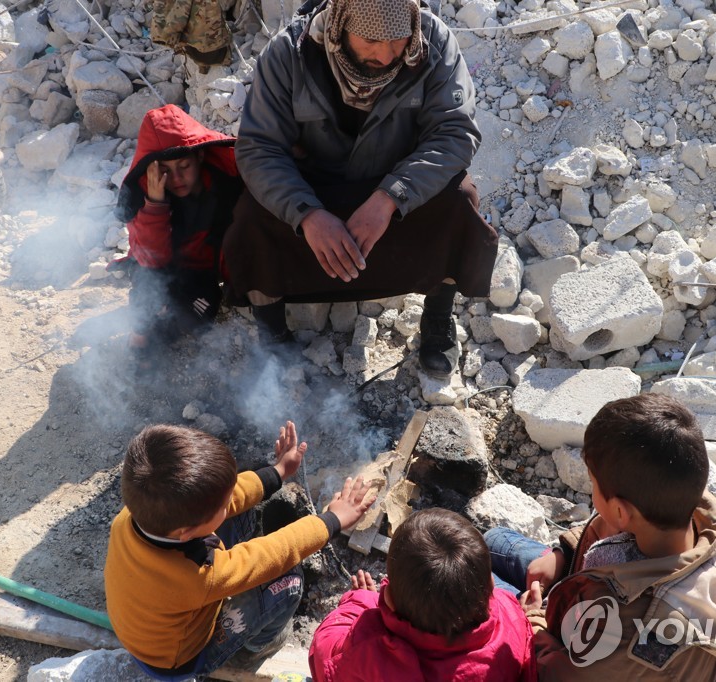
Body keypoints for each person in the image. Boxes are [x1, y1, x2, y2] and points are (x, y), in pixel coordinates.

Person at [223, 0, 499, 375]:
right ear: (341, 23)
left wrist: (389, 197)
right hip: (315, 189)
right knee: (250, 214)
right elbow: (259, 148)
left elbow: (454, 133)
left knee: (459, 199)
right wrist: (308, 214)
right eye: (370, 39)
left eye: (397, 40)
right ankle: (271, 328)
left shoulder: (432, 42)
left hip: (395, 188)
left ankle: (437, 317)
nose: (384, 56)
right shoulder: (291, 53)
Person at [485, 393, 716, 680]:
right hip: (601, 593)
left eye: (593, 484)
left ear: (619, 510)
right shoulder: (694, 507)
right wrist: (563, 553)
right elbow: (610, 527)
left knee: (478, 585)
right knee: (493, 541)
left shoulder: (638, 636)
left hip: (596, 655)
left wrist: (532, 619)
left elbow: (559, 674)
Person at [104, 421, 375, 679]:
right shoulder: (199, 577)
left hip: (157, 617)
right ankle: (256, 647)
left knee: (241, 512)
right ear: (186, 533)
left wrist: (277, 472)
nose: (228, 503)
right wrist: (333, 520)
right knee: (289, 580)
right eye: (221, 506)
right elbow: (272, 553)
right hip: (182, 658)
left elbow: (225, 497)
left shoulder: (131, 517)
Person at [309, 508, 536, 681]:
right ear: (491, 585)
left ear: (387, 598)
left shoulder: (369, 649)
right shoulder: (513, 618)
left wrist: (360, 600)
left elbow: (324, 652)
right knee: (496, 538)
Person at [113, 104, 241, 363]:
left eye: (184, 166)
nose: (177, 178)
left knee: (196, 318)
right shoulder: (141, 197)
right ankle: (138, 339)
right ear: (152, 172)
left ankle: (163, 321)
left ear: (201, 157)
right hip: (154, 269)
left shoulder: (222, 182)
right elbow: (152, 258)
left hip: (199, 273)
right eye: (166, 172)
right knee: (148, 294)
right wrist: (156, 204)